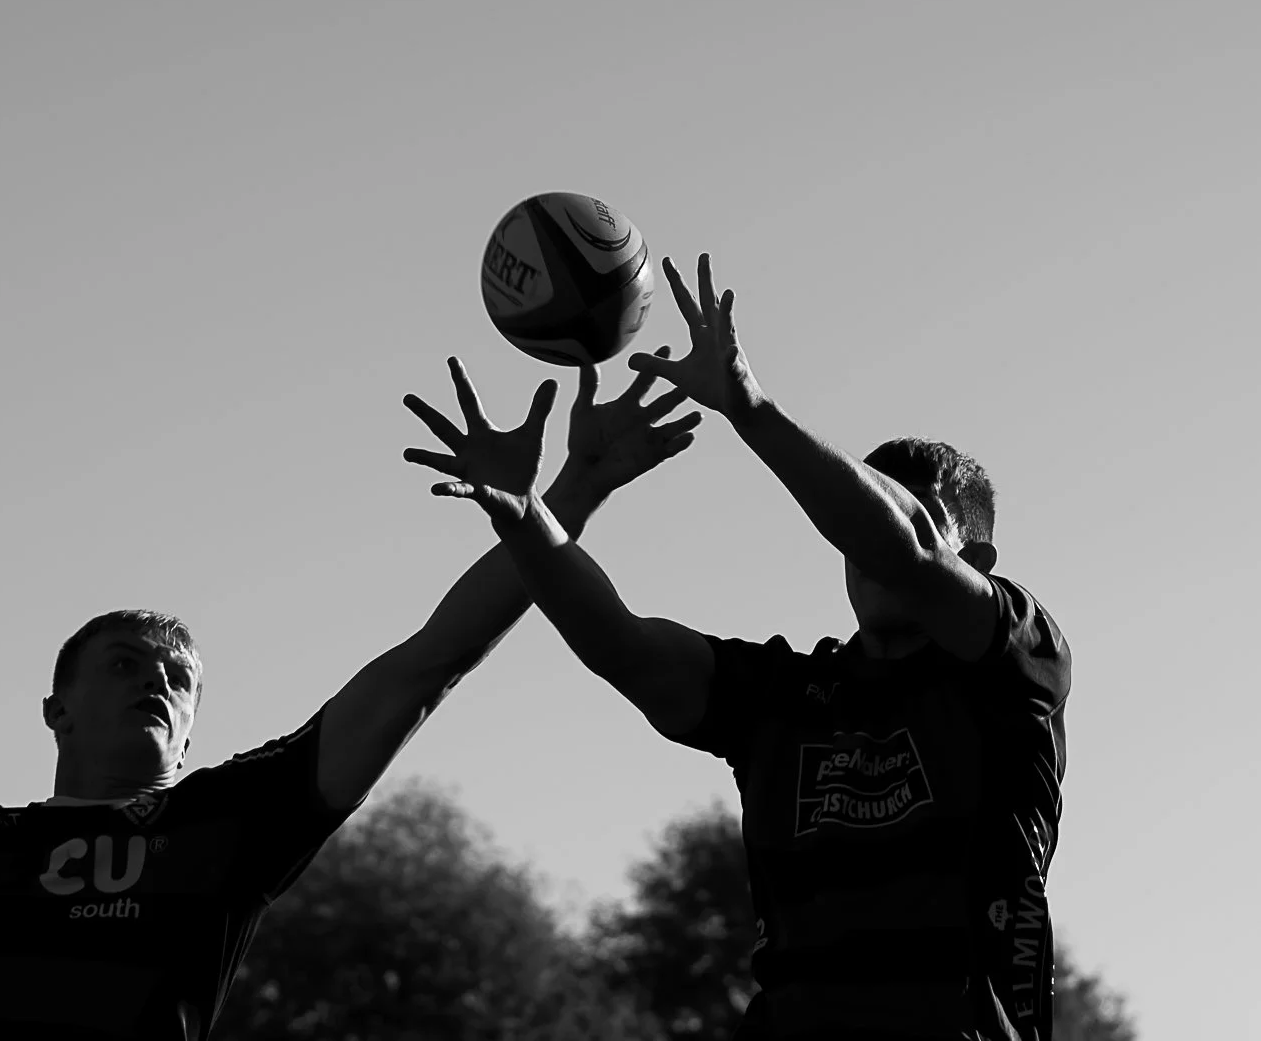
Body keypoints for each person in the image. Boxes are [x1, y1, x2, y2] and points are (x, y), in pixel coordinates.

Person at [0, 359, 701, 1041]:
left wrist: (554, 501)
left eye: (177, 679)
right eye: (119, 665)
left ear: (193, 732)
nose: (154, 679)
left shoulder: (234, 821)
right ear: (52, 711)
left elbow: (429, 664)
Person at [404, 254, 1071, 1041]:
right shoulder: (784, 697)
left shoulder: (1013, 663)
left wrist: (749, 407)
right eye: (860, 523)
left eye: (907, 515)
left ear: (982, 565)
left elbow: (909, 553)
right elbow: (625, 648)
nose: (868, 546)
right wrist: (527, 513)